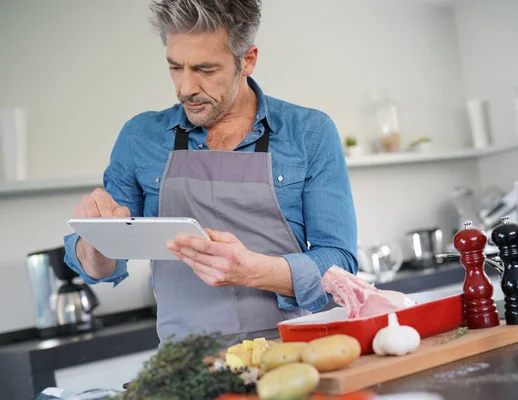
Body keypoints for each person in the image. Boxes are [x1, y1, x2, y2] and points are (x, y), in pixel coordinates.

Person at [63, 0, 358, 345]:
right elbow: (101, 268)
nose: (186, 87)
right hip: (184, 366)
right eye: (175, 67)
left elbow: (340, 266)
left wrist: (253, 271)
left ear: (247, 60)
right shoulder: (139, 137)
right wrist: (97, 238)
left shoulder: (308, 133)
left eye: (205, 69)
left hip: (291, 355)